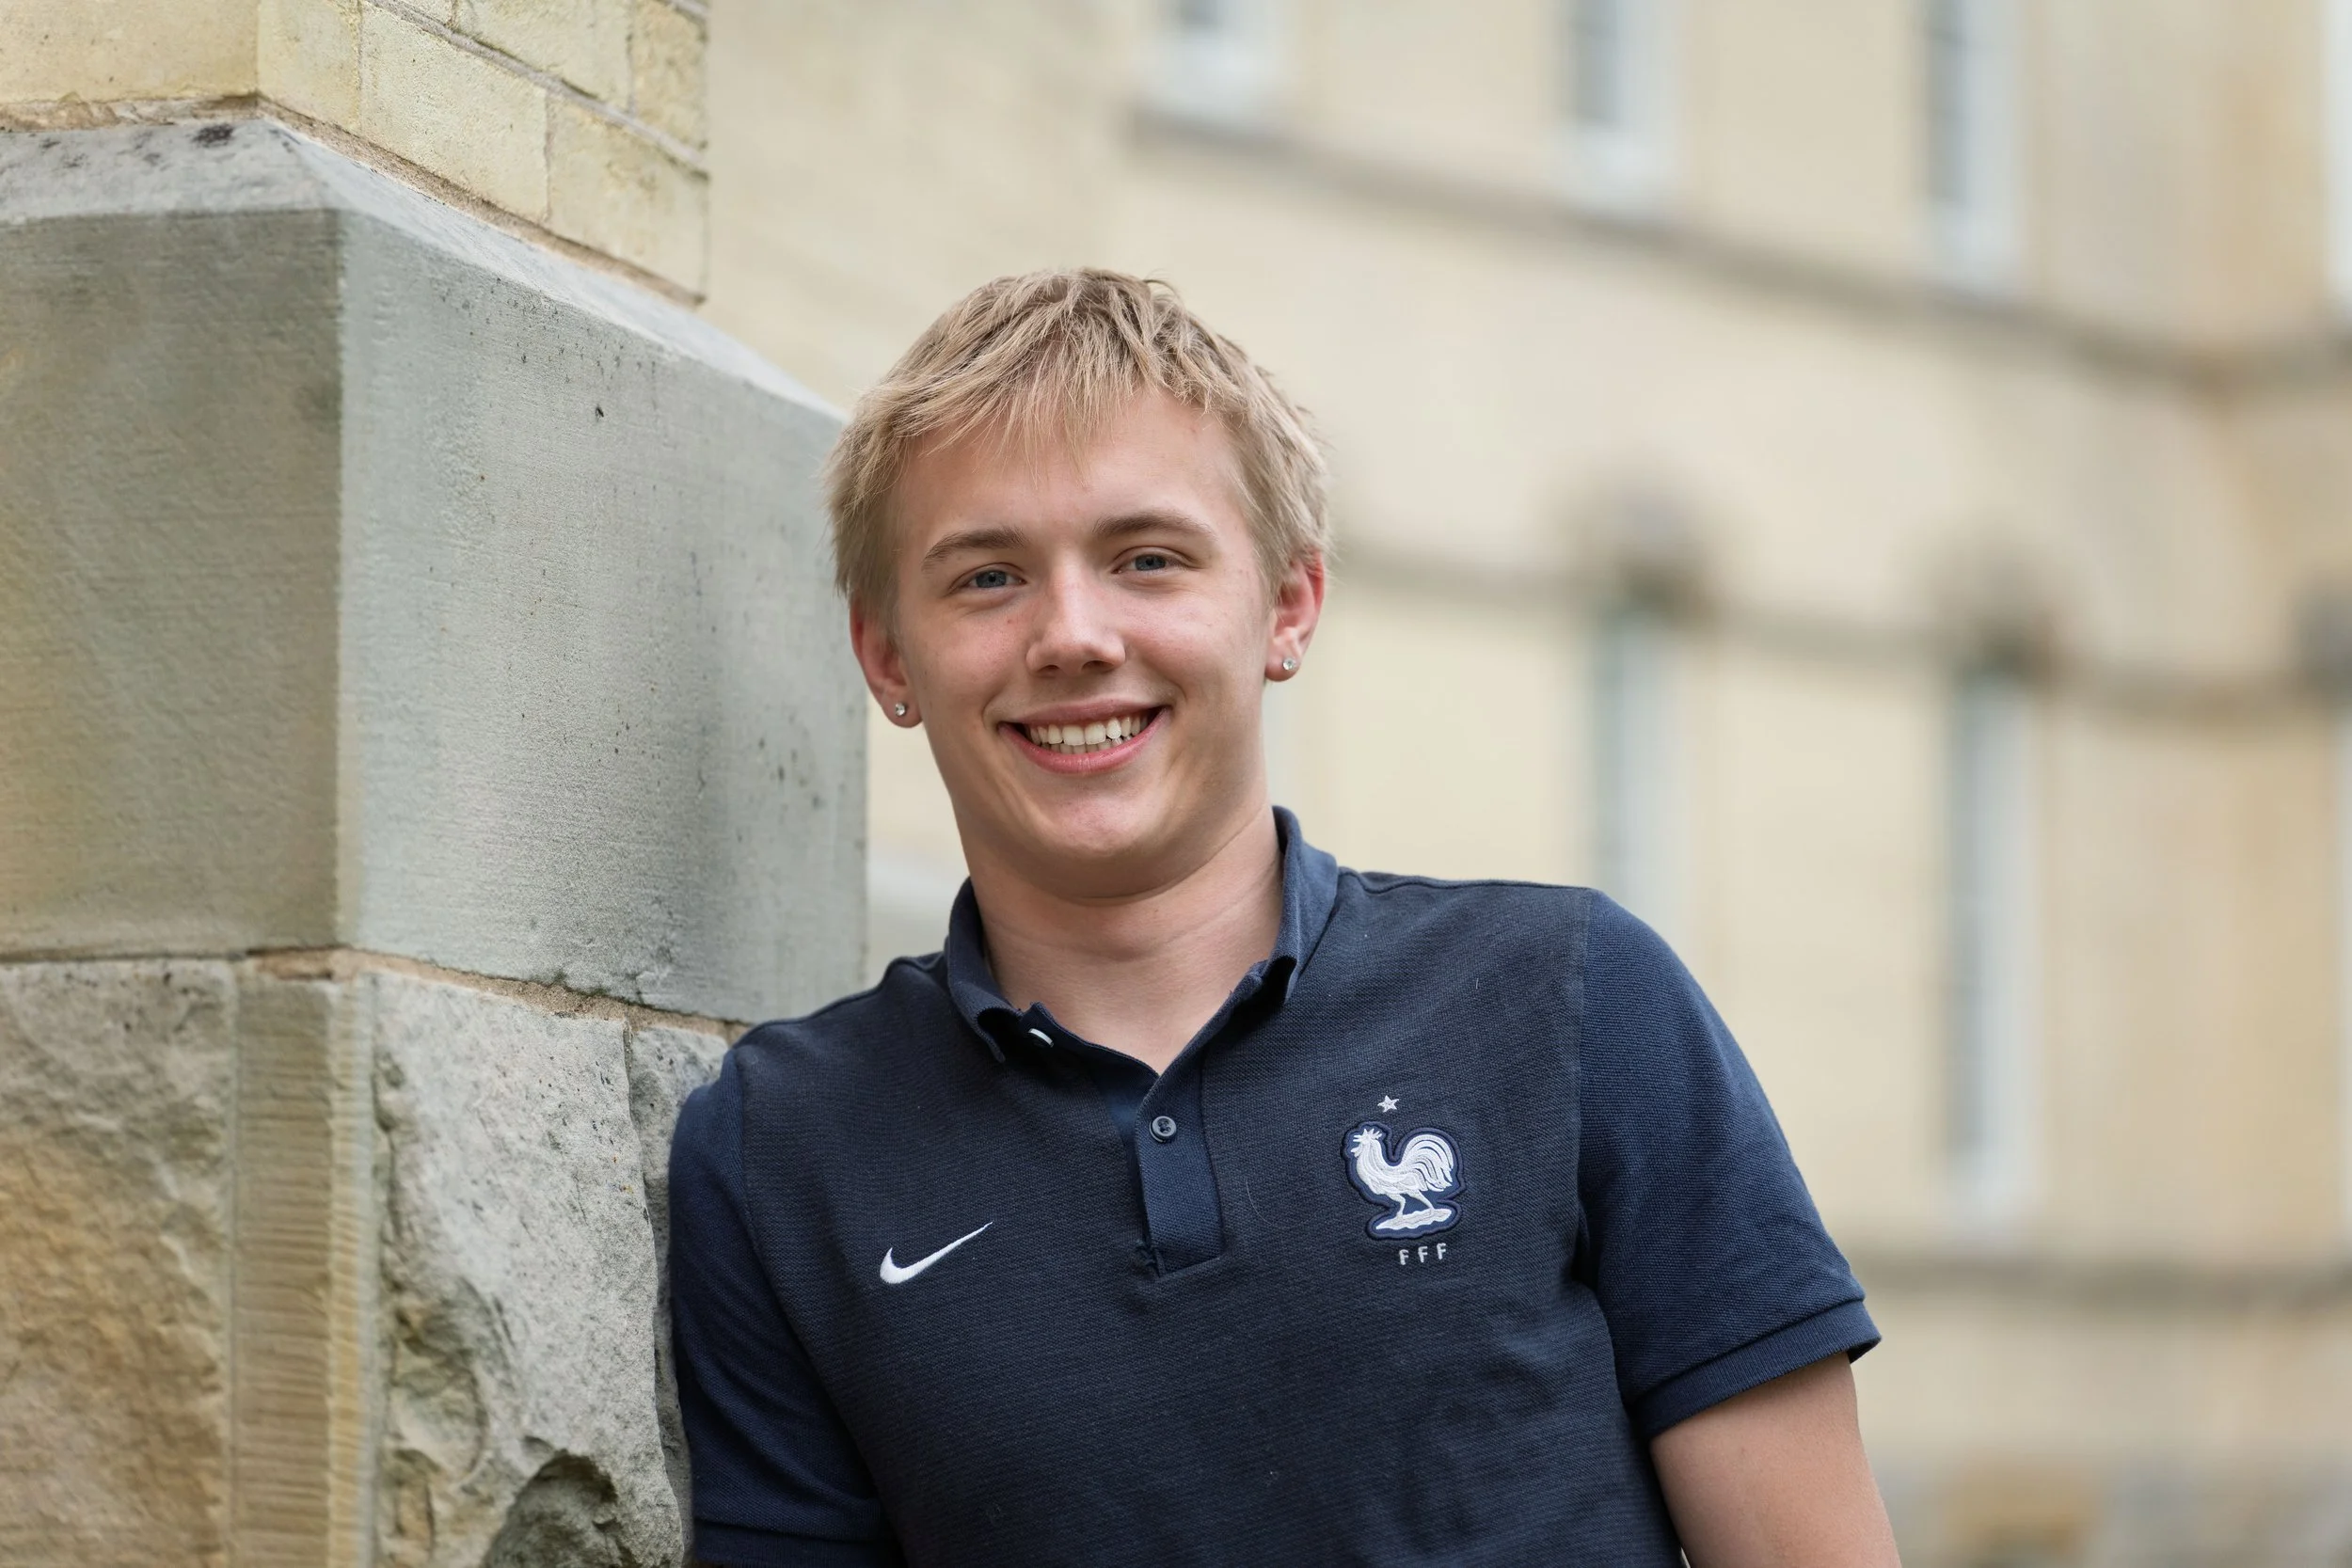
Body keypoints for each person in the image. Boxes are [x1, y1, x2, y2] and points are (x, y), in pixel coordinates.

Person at [668, 268, 1900, 1567]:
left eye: (1148, 558)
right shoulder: (780, 1149)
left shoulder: (1572, 1002)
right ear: (886, 657)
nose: (1073, 634)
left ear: (1289, 604)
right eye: (987, 577)